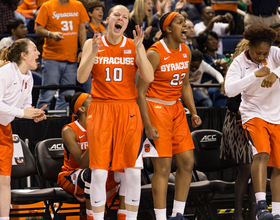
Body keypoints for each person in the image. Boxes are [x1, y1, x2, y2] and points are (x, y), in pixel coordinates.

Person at [77, 5, 154, 220]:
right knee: (99, 172)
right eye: (116, 15)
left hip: (128, 110)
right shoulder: (92, 43)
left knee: (133, 171)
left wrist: (140, 49)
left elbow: (148, 77)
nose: (120, 19)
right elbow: (81, 78)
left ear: (127, 24)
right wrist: (93, 52)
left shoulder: (133, 45)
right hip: (101, 108)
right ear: (108, 19)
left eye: (125, 17)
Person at [137, 12, 202, 220]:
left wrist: (193, 112)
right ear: (167, 28)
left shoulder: (186, 51)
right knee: (163, 167)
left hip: (176, 109)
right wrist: (147, 124)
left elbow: (185, 85)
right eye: (180, 23)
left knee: (187, 162)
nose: (185, 26)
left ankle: (178, 214)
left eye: (185, 22)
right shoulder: (154, 53)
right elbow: (139, 91)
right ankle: (161, 217)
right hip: (155, 108)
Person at [225, 24, 280, 220]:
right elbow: (230, 90)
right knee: (261, 153)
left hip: (277, 114)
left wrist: (276, 73)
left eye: (265, 53)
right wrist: (253, 75)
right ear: (249, 47)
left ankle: (277, 212)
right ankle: (261, 206)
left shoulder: (274, 53)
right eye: (258, 53)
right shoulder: (239, 62)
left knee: (279, 166)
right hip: (253, 113)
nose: (262, 57)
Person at [58, 92, 127, 220]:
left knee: (126, 171)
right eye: (93, 100)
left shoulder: (105, 124)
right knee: (90, 172)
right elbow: (83, 163)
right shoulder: (69, 130)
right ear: (82, 108)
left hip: (101, 172)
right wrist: (96, 136)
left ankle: (123, 217)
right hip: (73, 175)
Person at [0, 38, 46, 220]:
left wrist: (34, 113)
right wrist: (23, 112)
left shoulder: (29, 78)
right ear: (24, 55)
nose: (39, 53)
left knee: (4, 179)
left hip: (4, 128)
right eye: (35, 50)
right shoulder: (5, 73)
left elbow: (26, 105)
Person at [220, 39, 255, 220]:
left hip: (255, 124)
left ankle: (253, 212)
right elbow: (232, 102)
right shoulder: (235, 71)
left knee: (255, 169)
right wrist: (247, 113)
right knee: (246, 169)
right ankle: (238, 213)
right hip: (237, 125)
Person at [35, 0, 89, 113]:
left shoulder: (78, 6)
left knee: (67, 94)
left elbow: (82, 30)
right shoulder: (47, 6)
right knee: (48, 93)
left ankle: (60, 123)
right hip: (51, 58)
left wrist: (83, 50)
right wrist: (51, 34)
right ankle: (39, 121)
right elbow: (38, 29)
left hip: (71, 58)